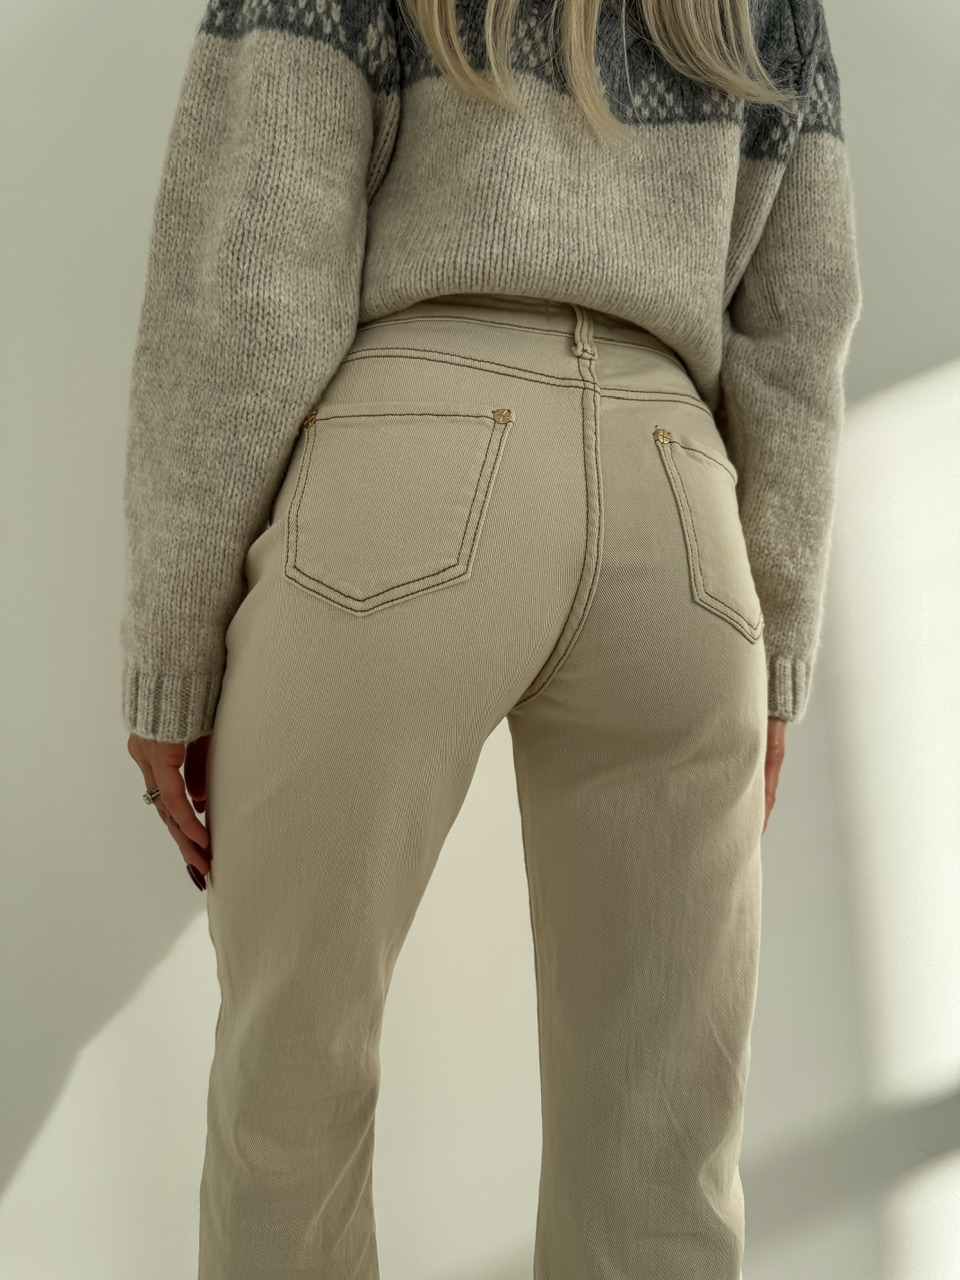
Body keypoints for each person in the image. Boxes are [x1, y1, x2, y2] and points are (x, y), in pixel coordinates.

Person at [122, 0, 861, 1274]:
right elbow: (801, 328)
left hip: (409, 463)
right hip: (681, 504)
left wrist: (171, 653)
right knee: (664, 1158)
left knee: (292, 1091)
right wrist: (777, 657)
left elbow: (251, 276)